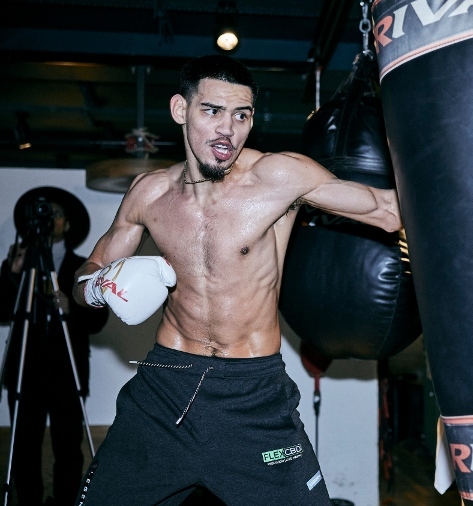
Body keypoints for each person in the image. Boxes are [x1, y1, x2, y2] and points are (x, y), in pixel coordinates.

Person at [71, 54, 402, 506]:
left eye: (241, 115)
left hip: (253, 394)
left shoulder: (277, 176)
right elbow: (87, 272)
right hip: (166, 389)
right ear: (181, 110)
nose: (228, 128)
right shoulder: (149, 193)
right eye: (212, 111)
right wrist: (98, 286)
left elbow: (387, 211)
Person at [0, 187, 109, 506]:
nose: (49, 219)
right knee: (24, 445)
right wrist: (12, 273)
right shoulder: (19, 262)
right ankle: (29, 501)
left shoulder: (83, 267)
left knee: (68, 445)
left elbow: (98, 321)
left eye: (56, 213)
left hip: (66, 371)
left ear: (68, 224)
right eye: (44, 213)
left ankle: (64, 501)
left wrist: (72, 308)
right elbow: (2, 311)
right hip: (25, 369)